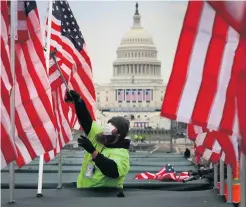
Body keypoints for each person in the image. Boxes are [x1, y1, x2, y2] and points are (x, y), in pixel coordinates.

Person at [65, 90, 131, 189]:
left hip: (104, 197)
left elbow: (113, 171)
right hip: (83, 191)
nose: (108, 127)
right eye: (109, 123)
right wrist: (78, 102)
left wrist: (93, 152)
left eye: (113, 125)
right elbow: (86, 120)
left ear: (119, 134)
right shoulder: (100, 135)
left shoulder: (122, 154)